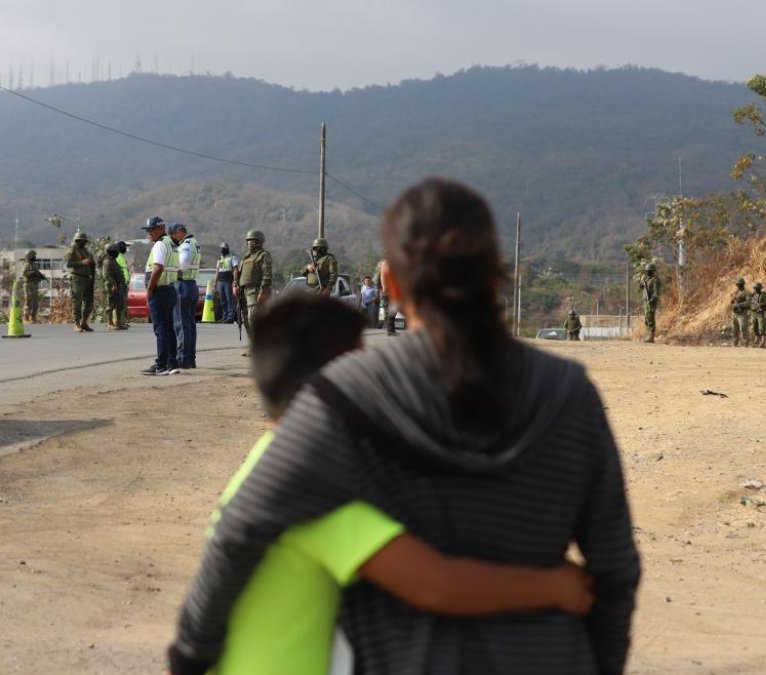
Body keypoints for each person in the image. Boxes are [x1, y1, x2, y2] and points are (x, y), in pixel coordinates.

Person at [169, 178, 640, 675]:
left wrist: (190, 654)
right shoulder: (571, 394)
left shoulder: (346, 395)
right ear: (496, 273)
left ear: (391, 285)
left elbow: (241, 528)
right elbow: (615, 569)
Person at [200, 292, 596, 675]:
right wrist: (555, 587)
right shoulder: (312, 489)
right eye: (366, 372)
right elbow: (438, 585)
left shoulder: (273, 457)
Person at [142, 216, 180, 375]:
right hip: (170, 289)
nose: (149, 233)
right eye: (148, 230)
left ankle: (161, 365)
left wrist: (150, 288)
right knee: (169, 328)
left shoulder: (160, 245)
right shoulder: (172, 244)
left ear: (162, 228)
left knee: (161, 329)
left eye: (152, 229)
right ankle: (172, 363)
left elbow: (158, 268)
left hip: (159, 291)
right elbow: (178, 269)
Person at [234, 229, 273, 348]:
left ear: (260, 242)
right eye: (249, 241)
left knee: (254, 318)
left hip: (255, 291)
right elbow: (239, 274)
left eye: (253, 241)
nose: (250, 243)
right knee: (245, 319)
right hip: (243, 292)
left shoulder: (263, 255)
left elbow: (267, 275)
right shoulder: (245, 257)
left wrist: (263, 291)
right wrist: (235, 285)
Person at [171, 223, 201, 369]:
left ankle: (183, 358)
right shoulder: (194, 243)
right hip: (191, 285)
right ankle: (190, 358)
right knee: (189, 324)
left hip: (183, 285)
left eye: (173, 235)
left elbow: (181, 266)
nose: (173, 238)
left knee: (181, 324)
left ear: (179, 232)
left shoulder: (186, 245)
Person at [65, 231, 96, 332]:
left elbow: (91, 261)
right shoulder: (72, 250)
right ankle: (76, 323)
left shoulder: (86, 251)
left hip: (87, 278)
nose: (84, 242)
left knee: (89, 302)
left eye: (85, 241)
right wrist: (81, 262)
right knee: (77, 301)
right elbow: (68, 263)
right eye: (82, 241)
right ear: (78, 241)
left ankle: (84, 322)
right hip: (77, 278)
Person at [102, 243, 127, 331]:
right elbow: (106, 275)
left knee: (119, 304)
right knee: (111, 304)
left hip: (118, 285)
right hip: (111, 286)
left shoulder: (113, 261)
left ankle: (118, 323)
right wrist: (113, 284)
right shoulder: (107, 261)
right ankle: (110, 323)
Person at [21, 250, 46, 323]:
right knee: (28, 301)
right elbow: (24, 273)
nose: (35, 257)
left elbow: (37, 274)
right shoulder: (26, 264)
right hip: (28, 285)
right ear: (30, 256)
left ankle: (33, 316)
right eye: (34, 256)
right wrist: (33, 273)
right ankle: (26, 317)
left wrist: (40, 276)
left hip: (35, 285)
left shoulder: (34, 265)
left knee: (35, 301)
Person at [215, 242, 238, 324]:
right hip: (220, 281)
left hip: (228, 281)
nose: (222, 250)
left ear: (227, 249)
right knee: (222, 300)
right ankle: (224, 317)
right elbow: (217, 271)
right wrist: (215, 282)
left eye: (223, 248)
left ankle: (230, 317)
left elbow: (235, 269)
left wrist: (235, 280)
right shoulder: (220, 258)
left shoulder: (232, 257)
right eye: (221, 248)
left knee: (229, 299)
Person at [641, 261, 660, 343]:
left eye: (648, 271)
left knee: (650, 318)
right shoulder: (647, 279)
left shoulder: (655, 280)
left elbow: (656, 292)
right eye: (646, 271)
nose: (647, 272)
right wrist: (642, 284)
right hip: (646, 302)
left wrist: (652, 300)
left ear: (652, 271)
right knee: (647, 319)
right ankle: (648, 335)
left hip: (651, 302)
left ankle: (651, 337)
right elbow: (643, 287)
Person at [729, 277, 749, 347]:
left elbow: (748, 303)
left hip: (742, 313)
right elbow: (731, 302)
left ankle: (745, 343)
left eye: (740, 284)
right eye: (737, 284)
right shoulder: (735, 292)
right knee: (734, 329)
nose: (738, 285)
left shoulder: (746, 293)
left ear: (743, 284)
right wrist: (733, 300)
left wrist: (739, 304)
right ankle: (735, 343)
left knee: (743, 328)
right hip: (735, 313)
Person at [115, 241, 130, 329]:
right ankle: (118, 322)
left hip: (124, 282)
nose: (126, 249)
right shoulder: (117, 256)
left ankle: (122, 321)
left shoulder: (121, 256)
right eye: (125, 247)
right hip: (120, 282)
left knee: (123, 303)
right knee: (120, 303)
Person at [749, 281, 766, 348]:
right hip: (753, 313)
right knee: (754, 326)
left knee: (761, 327)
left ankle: (763, 342)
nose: (756, 289)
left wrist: (761, 304)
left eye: (757, 288)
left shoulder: (763, 294)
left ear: (760, 288)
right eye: (755, 288)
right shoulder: (752, 296)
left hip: (760, 312)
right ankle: (756, 341)